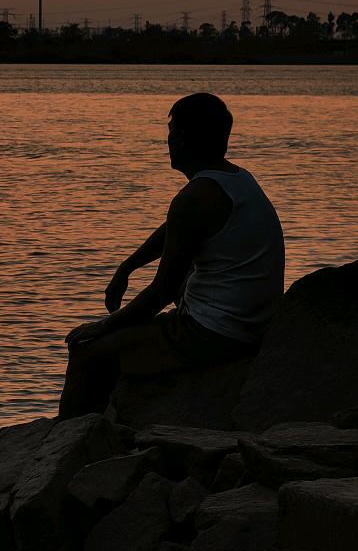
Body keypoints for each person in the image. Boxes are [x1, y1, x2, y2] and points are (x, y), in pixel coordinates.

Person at [58, 92, 285, 419]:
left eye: (172, 131)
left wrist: (102, 326)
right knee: (183, 286)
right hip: (249, 320)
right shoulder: (236, 179)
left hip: (218, 332)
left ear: (182, 138)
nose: (168, 140)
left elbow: (160, 293)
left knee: (85, 352)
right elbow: (174, 230)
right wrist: (129, 266)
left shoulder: (193, 198)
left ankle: (63, 442)